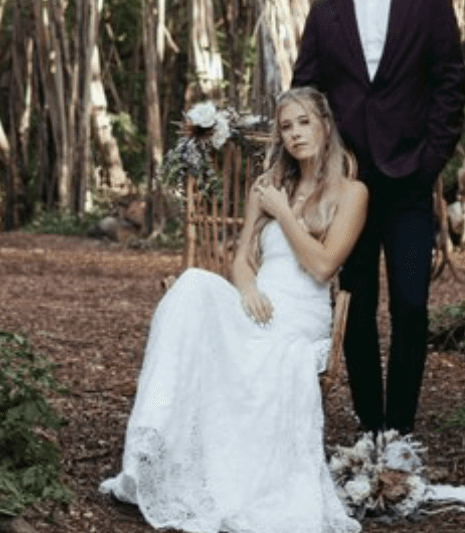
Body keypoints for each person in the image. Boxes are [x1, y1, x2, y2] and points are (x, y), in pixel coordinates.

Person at [100, 86, 368, 533]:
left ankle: (239, 479)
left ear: (325, 123)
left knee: (261, 353)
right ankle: (152, 444)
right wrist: (245, 289)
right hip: (257, 302)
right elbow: (242, 256)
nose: (296, 134)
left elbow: (323, 267)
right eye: (286, 127)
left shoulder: (352, 193)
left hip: (301, 314)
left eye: (304, 122)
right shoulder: (267, 187)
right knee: (191, 287)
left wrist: (283, 213)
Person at [291, 0, 465, 436]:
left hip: (411, 178)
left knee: (412, 306)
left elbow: (451, 86)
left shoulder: (430, 0)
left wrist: (432, 158)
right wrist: (320, 169)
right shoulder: (324, 12)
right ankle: (371, 426)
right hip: (348, 185)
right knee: (357, 304)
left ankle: (402, 428)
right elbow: (306, 91)